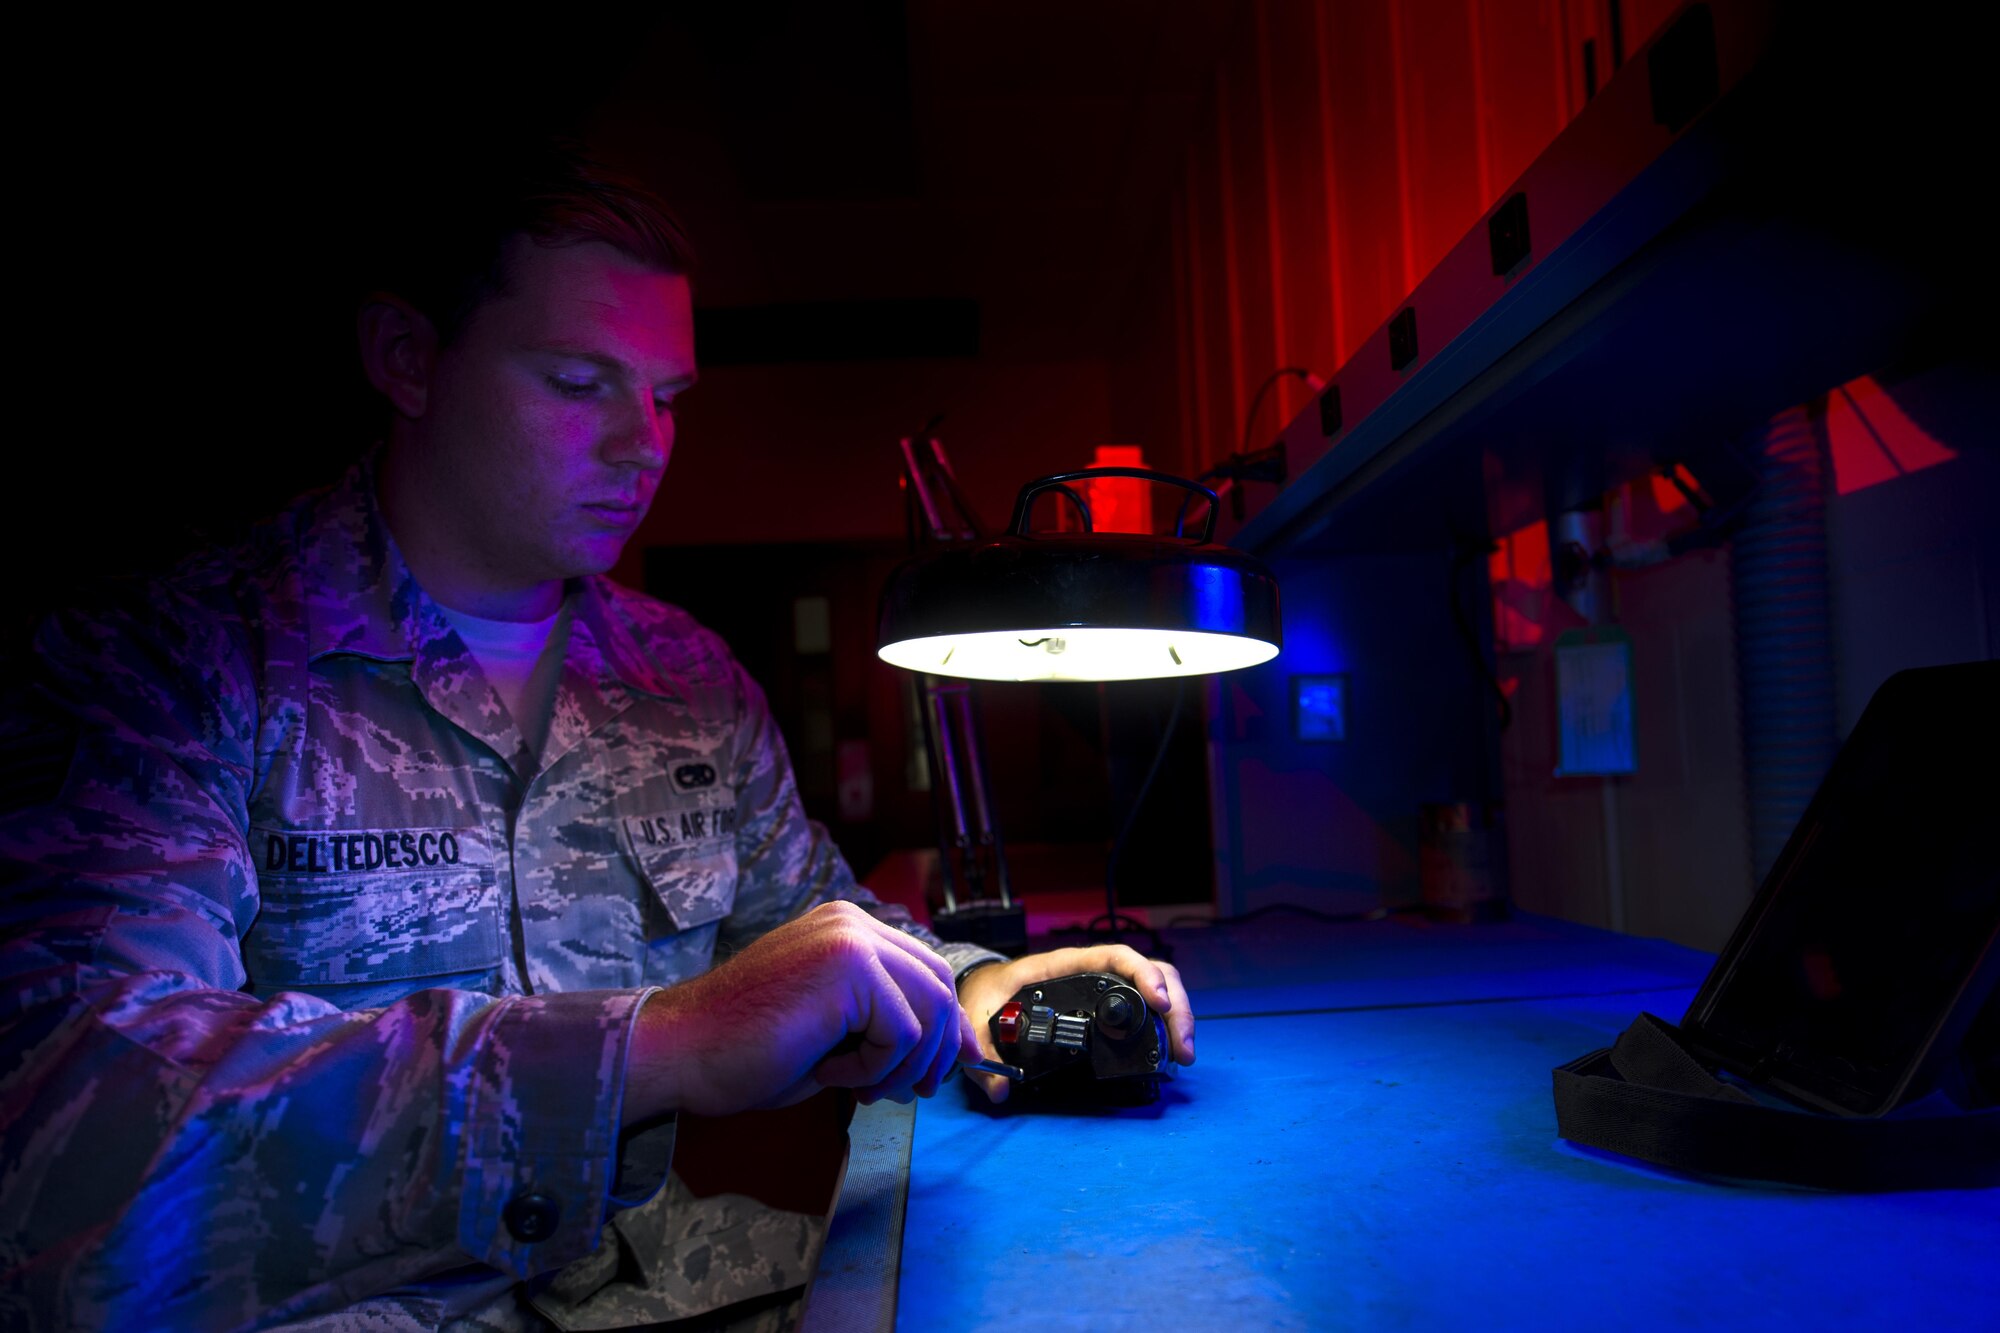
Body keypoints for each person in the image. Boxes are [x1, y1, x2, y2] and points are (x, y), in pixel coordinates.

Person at [0, 141, 1195, 1331]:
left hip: (633, 1297)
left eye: (667, 398)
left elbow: (802, 919)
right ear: (408, 360)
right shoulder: (170, 661)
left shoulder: (681, 674)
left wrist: (973, 981)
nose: (646, 447)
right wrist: (648, 1045)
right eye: (579, 383)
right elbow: (70, 1113)